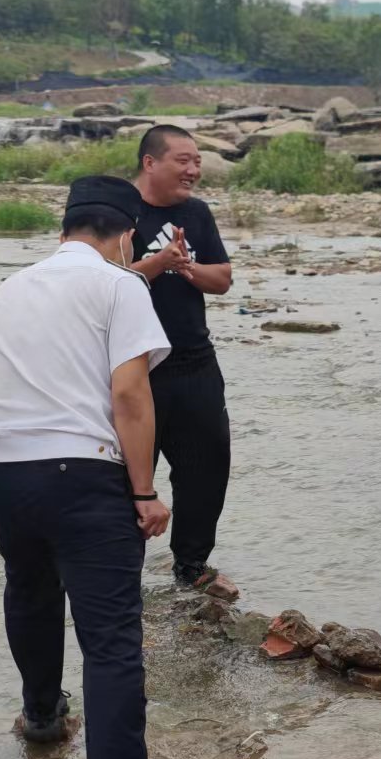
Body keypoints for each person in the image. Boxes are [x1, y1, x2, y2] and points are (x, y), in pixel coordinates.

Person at [0, 175, 195, 759]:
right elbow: (129, 394)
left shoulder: (10, 287)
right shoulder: (120, 285)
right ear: (127, 234)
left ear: (64, 228)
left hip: (0, 466)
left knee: (30, 594)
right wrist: (144, 492)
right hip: (82, 471)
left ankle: (43, 716)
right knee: (111, 641)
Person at [127, 125, 237, 594]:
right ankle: (120, 570)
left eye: (197, 161)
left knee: (207, 467)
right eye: (183, 160)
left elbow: (222, 279)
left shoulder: (196, 213)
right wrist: (158, 263)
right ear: (150, 162)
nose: (193, 170)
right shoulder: (117, 210)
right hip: (132, 365)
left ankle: (192, 565)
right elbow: (96, 282)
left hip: (194, 359)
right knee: (127, 474)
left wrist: (186, 266)